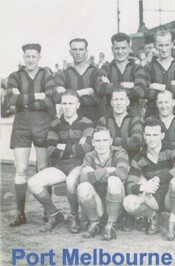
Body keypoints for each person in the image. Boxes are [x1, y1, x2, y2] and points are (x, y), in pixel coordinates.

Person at [28, 90, 94, 232]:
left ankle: (74, 216)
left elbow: (87, 148)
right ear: (61, 104)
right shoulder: (55, 124)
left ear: (78, 105)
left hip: (79, 165)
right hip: (61, 166)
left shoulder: (87, 123)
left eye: (71, 103)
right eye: (64, 103)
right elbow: (51, 149)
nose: (67, 106)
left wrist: (63, 146)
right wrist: (76, 147)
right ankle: (55, 214)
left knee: (71, 181)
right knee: (33, 183)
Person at [6, 43, 55, 227]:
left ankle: (48, 210)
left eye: (34, 56)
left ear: (39, 57)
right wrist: (38, 95)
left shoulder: (47, 74)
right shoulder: (15, 76)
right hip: (21, 123)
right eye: (28, 56)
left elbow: (50, 99)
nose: (31, 59)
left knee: (43, 168)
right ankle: (20, 213)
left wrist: (24, 99)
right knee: (21, 169)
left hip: (42, 122)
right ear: (23, 57)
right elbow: (11, 99)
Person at [123, 118, 175, 241]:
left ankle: (172, 222)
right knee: (128, 202)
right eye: (148, 135)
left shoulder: (171, 148)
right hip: (153, 196)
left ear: (162, 135)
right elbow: (129, 184)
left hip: (170, 194)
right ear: (143, 136)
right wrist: (142, 187)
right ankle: (153, 217)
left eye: (155, 135)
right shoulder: (139, 157)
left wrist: (158, 178)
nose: (151, 138)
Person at [77, 127, 130, 240]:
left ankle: (112, 224)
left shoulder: (119, 152)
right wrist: (108, 170)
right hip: (98, 204)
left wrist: (94, 174)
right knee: (83, 187)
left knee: (114, 181)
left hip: (117, 204)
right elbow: (81, 179)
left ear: (110, 141)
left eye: (105, 140)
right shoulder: (89, 156)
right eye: (98, 141)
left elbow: (122, 174)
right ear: (93, 143)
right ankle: (95, 222)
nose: (101, 144)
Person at [96, 33, 147, 116]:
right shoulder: (106, 68)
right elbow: (99, 87)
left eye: (123, 48)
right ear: (112, 49)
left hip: (133, 115)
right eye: (117, 48)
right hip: (111, 116)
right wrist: (124, 85)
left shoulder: (137, 68)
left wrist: (110, 85)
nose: (120, 52)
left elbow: (140, 91)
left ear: (129, 48)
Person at [55, 38, 100, 122]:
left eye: (81, 49)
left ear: (86, 51)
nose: (78, 53)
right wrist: (83, 92)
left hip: (92, 118)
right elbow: (58, 97)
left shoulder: (95, 72)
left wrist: (68, 94)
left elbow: (98, 97)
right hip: (69, 121)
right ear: (70, 52)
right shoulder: (63, 74)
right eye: (75, 50)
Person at [144, 31, 175, 118]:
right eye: (160, 45)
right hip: (152, 113)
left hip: (174, 115)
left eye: (167, 45)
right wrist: (172, 88)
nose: (164, 49)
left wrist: (159, 87)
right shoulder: (149, 67)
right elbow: (145, 92)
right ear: (155, 46)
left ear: (172, 44)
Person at [97, 86, 143, 161]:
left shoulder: (135, 120)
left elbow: (136, 142)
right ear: (111, 102)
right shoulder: (103, 121)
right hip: (109, 162)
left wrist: (110, 141)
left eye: (122, 99)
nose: (119, 103)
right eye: (116, 99)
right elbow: (98, 142)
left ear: (127, 102)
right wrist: (125, 142)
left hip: (131, 162)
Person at [150, 90, 175, 159]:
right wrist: (174, 144)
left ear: (173, 102)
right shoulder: (151, 122)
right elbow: (148, 147)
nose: (163, 106)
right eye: (160, 103)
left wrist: (158, 144)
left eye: (166, 102)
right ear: (156, 103)